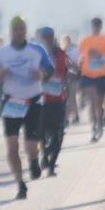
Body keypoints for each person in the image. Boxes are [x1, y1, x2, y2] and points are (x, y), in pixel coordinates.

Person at [0, 17, 54, 199]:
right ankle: (20, 183)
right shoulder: (2, 53)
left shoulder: (37, 50)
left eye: (21, 29)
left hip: (33, 101)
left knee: (31, 146)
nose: (18, 32)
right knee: (12, 146)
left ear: (26, 31)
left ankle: (33, 160)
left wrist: (41, 74)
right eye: (15, 29)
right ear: (11, 31)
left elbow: (50, 71)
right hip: (11, 102)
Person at [39, 27, 74, 176]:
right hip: (41, 101)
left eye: (49, 36)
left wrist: (74, 73)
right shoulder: (36, 54)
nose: (47, 39)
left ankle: (51, 164)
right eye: (44, 37)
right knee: (41, 132)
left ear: (53, 38)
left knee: (58, 133)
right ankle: (45, 154)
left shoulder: (61, 54)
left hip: (59, 99)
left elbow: (69, 70)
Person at [78, 17, 105, 142]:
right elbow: (80, 56)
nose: (96, 27)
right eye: (94, 25)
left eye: (98, 25)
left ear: (101, 26)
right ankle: (93, 128)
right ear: (91, 26)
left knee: (99, 103)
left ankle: (99, 123)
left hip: (101, 75)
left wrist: (100, 57)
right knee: (92, 103)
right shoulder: (85, 40)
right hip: (87, 75)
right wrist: (80, 63)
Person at [62, 35, 81, 124]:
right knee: (67, 98)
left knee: (71, 98)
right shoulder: (62, 52)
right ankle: (68, 117)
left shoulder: (74, 50)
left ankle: (74, 116)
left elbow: (77, 64)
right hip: (66, 77)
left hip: (73, 77)